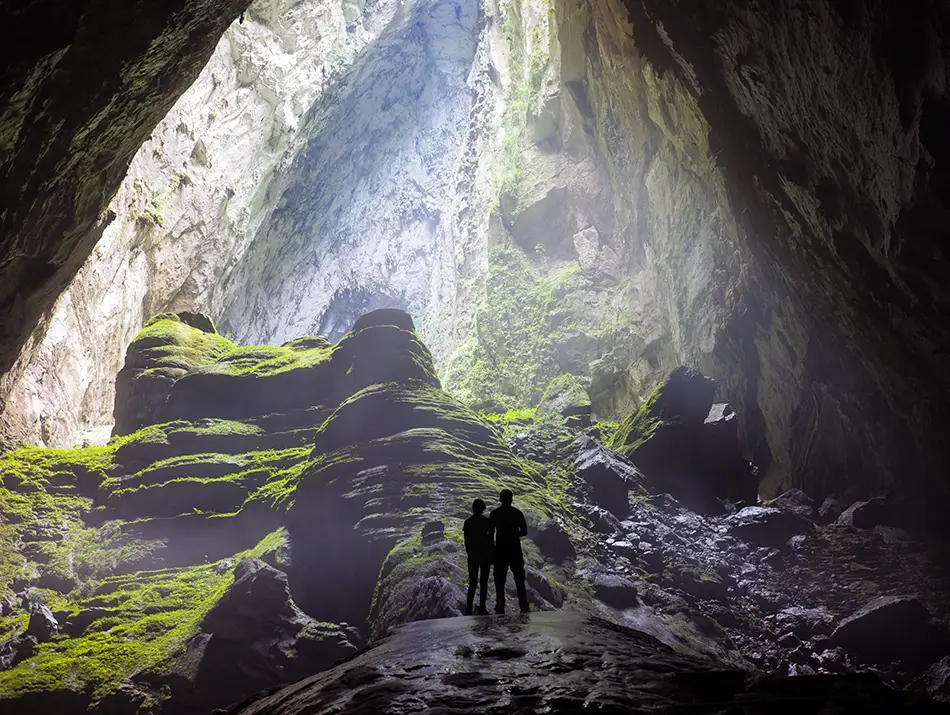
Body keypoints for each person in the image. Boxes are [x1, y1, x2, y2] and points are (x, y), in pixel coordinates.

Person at [490, 489, 529, 614]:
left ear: (500, 499)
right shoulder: (517, 513)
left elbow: (490, 533)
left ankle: (500, 604)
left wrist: (492, 550)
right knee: (519, 579)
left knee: (499, 580)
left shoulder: (495, 514)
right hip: (515, 550)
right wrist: (514, 534)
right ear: (511, 499)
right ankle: (523, 605)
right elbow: (524, 531)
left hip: (500, 551)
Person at [462, 498, 493, 615]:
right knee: (484, 582)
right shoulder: (487, 521)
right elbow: (491, 539)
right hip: (485, 555)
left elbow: (467, 541)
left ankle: (468, 609)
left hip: (473, 556)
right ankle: (482, 608)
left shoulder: (468, 522)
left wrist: (470, 553)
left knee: (472, 583)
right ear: (483, 509)